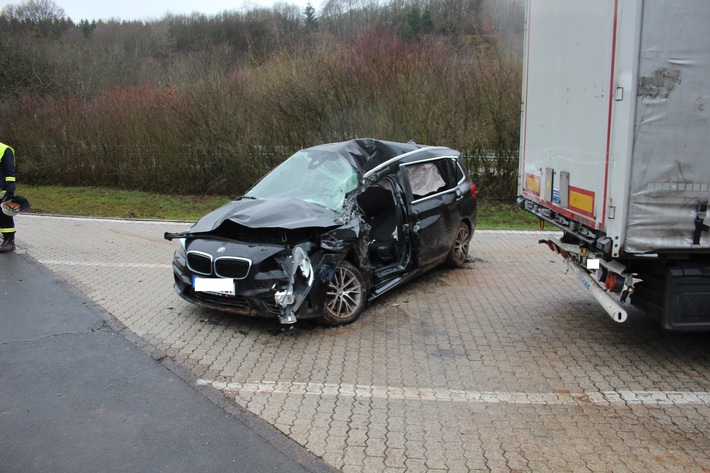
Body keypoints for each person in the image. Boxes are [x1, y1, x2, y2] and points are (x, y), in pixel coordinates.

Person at [0, 141, 17, 253]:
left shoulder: (5, 150)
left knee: (4, 216)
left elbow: (10, 172)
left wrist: (10, 190)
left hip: (2, 191)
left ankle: (9, 241)